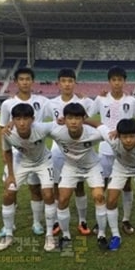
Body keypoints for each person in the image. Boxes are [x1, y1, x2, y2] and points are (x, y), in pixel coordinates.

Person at [0, 103, 58, 252]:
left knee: (48, 194)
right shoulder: (7, 133)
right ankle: (9, 235)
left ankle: (49, 235)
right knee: (8, 193)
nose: (22, 123)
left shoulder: (42, 128)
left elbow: (57, 124)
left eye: (26, 118)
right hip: (21, 162)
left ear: (33, 119)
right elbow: (8, 152)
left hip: (43, 162)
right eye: (17, 119)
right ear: (13, 120)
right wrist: (10, 175)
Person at [46, 102, 108, 251]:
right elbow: (34, 126)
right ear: (64, 119)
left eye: (78, 118)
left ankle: (102, 234)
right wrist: (10, 124)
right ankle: (66, 235)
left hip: (92, 166)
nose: (74, 121)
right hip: (71, 167)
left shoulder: (94, 133)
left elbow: (110, 131)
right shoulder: (57, 131)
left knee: (99, 196)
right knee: (63, 199)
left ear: (83, 119)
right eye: (70, 118)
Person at [0, 67, 49, 238]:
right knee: (10, 189)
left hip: (37, 151)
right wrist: (3, 152)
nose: (25, 82)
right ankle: (8, 227)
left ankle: (37, 223)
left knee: (35, 189)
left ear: (32, 81)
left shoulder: (42, 101)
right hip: (16, 152)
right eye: (21, 79)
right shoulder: (8, 103)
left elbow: (59, 110)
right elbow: (1, 128)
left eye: (28, 79)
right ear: (16, 82)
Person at [91, 118, 135, 252]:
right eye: (125, 137)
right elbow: (97, 123)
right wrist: (77, 120)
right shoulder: (112, 139)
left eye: (132, 136)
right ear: (119, 136)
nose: (128, 140)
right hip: (120, 168)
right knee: (110, 200)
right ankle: (116, 235)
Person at [88, 66, 135, 235]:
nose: (117, 83)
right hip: (105, 148)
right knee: (102, 184)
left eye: (120, 80)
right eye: (114, 80)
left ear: (124, 81)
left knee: (126, 184)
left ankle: (126, 219)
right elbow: (88, 117)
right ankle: (100, 220)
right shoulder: (101, 99)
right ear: (109, 81)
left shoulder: (132, 101)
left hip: (126, 149)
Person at [43, 68, 94, 236]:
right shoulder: (50, 103)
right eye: (63, 81)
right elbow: (36, 121)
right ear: (58, 83)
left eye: (70, 81)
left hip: (80, 149)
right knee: (58, 185)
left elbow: (96, 118)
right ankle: (58, 220)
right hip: (58, 150)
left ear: (75, 83)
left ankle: (82, 220)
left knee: (79, 185)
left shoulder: (84, 102)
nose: (67, 84)